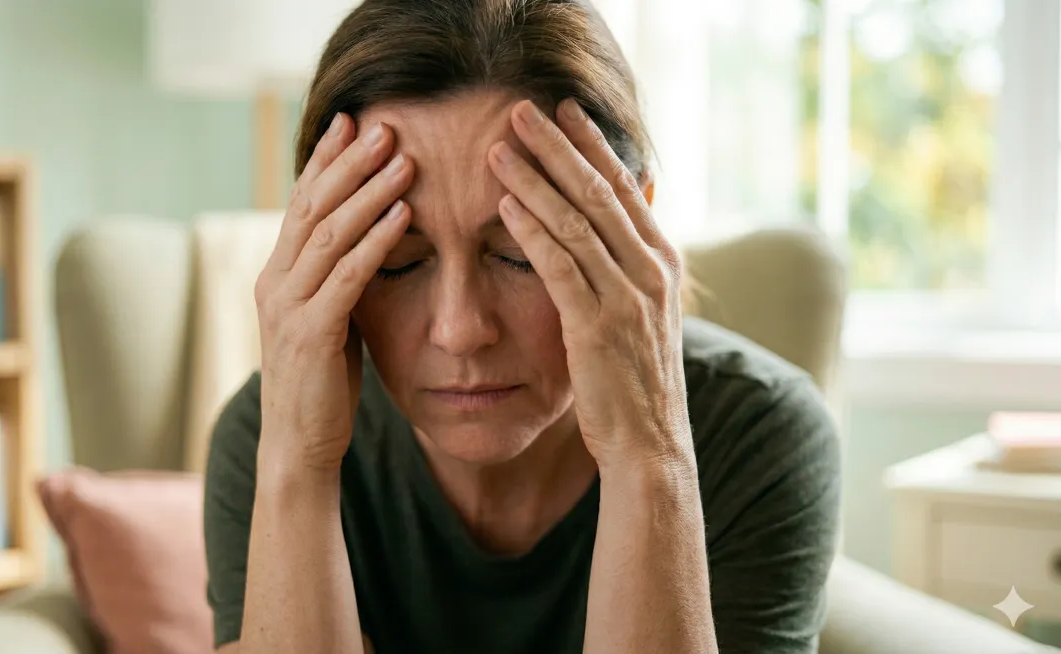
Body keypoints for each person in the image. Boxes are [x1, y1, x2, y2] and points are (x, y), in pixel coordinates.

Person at [203, 0, 841, 652]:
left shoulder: (757, 433)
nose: (459, 329)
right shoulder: (264, 436)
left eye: (518, 254)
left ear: (634, 229)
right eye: (398, 263)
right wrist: (299, 464)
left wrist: (648, 459)